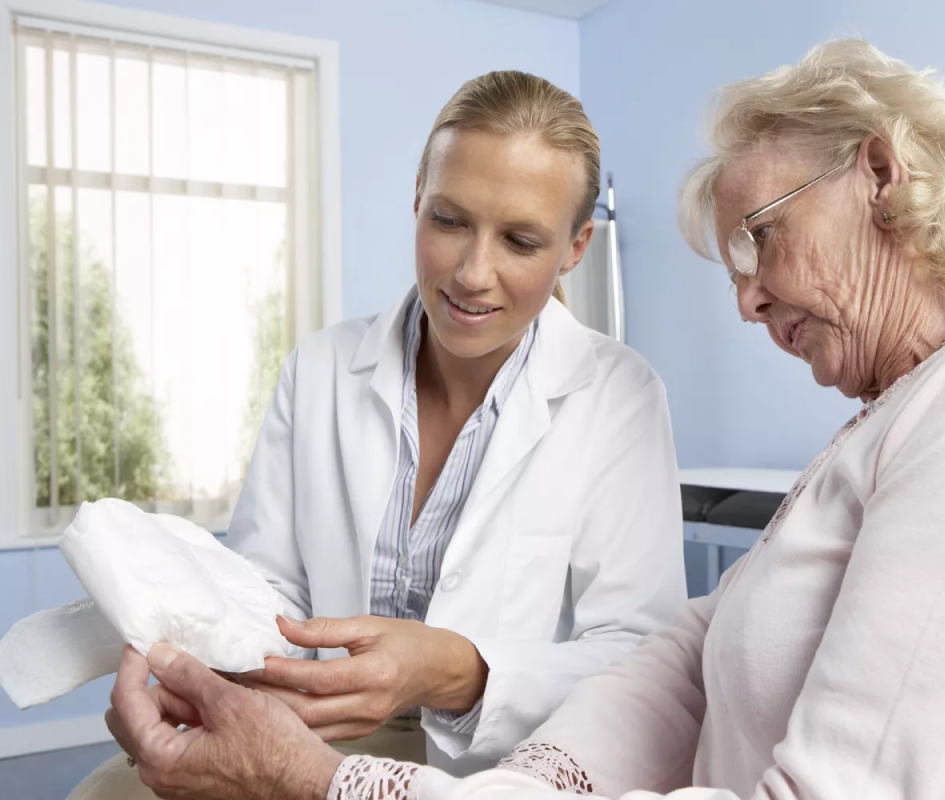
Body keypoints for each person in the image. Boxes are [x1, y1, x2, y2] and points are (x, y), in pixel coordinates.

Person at [107, 39, 945, 799]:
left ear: (878, 173)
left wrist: (348, 768)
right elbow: (686, 650)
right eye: (734, 257)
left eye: (760, 238)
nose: (746, 296)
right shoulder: (895, 417)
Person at [83, 69, 686, 799]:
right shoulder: (322, 367)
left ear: (576, 247)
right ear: (417, 203)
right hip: (310, 728)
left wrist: (458, 670)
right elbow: (266, 585)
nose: (472, 272)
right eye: (449, 220)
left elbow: (642, 661)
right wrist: (212, 673)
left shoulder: (618, 396)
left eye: (521, 240)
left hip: (501, 763)